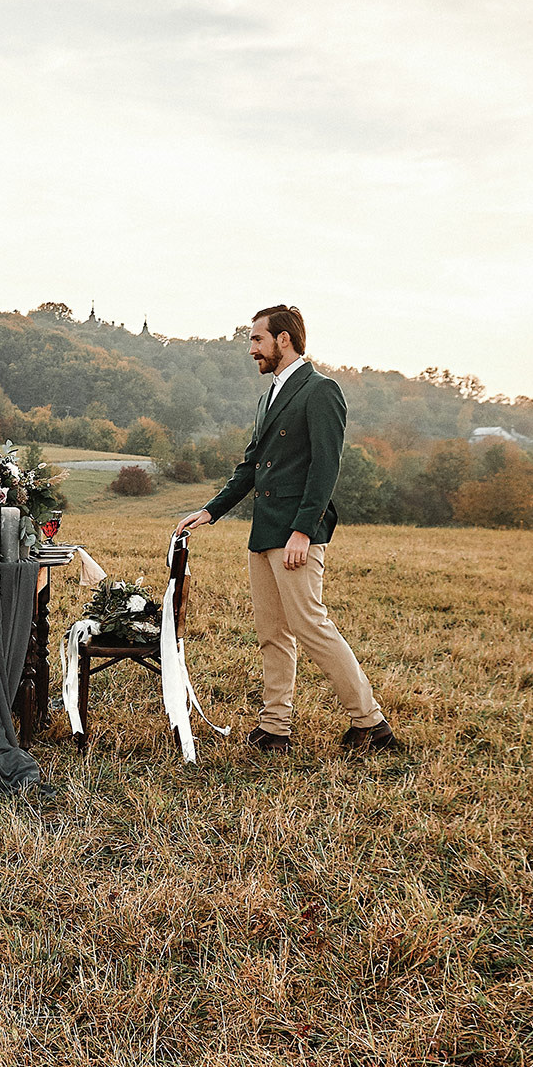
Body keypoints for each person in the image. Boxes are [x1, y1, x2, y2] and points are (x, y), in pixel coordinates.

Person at [175, 305, 396, 754]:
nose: (251, 349)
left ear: (284, 340)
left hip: (296, 532)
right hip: (265, 530)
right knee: (272, 633)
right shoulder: (268, 396)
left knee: (311, 626)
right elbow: (251, 467)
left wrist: (304, 531)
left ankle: (371, 725)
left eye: (257, 340)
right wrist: (211, 511)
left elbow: (324, 467)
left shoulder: (321, 391)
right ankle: (275, 728)